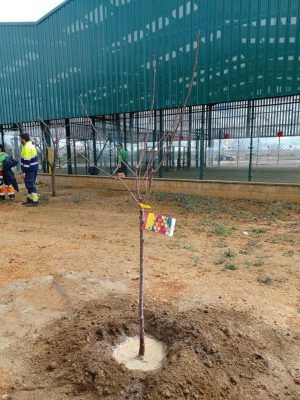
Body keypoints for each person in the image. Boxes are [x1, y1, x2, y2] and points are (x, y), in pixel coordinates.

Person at [19, 133, 39, 207]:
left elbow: (27, 161)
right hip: (32, 168)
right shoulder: (29, 145)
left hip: (30, 169)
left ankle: (35, 201)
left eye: (20, 138)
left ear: (23, 139)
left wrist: (24, 172)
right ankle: (30, 199)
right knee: (29, 184)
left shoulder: (27, 147)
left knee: (30, 184)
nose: (19, 140)